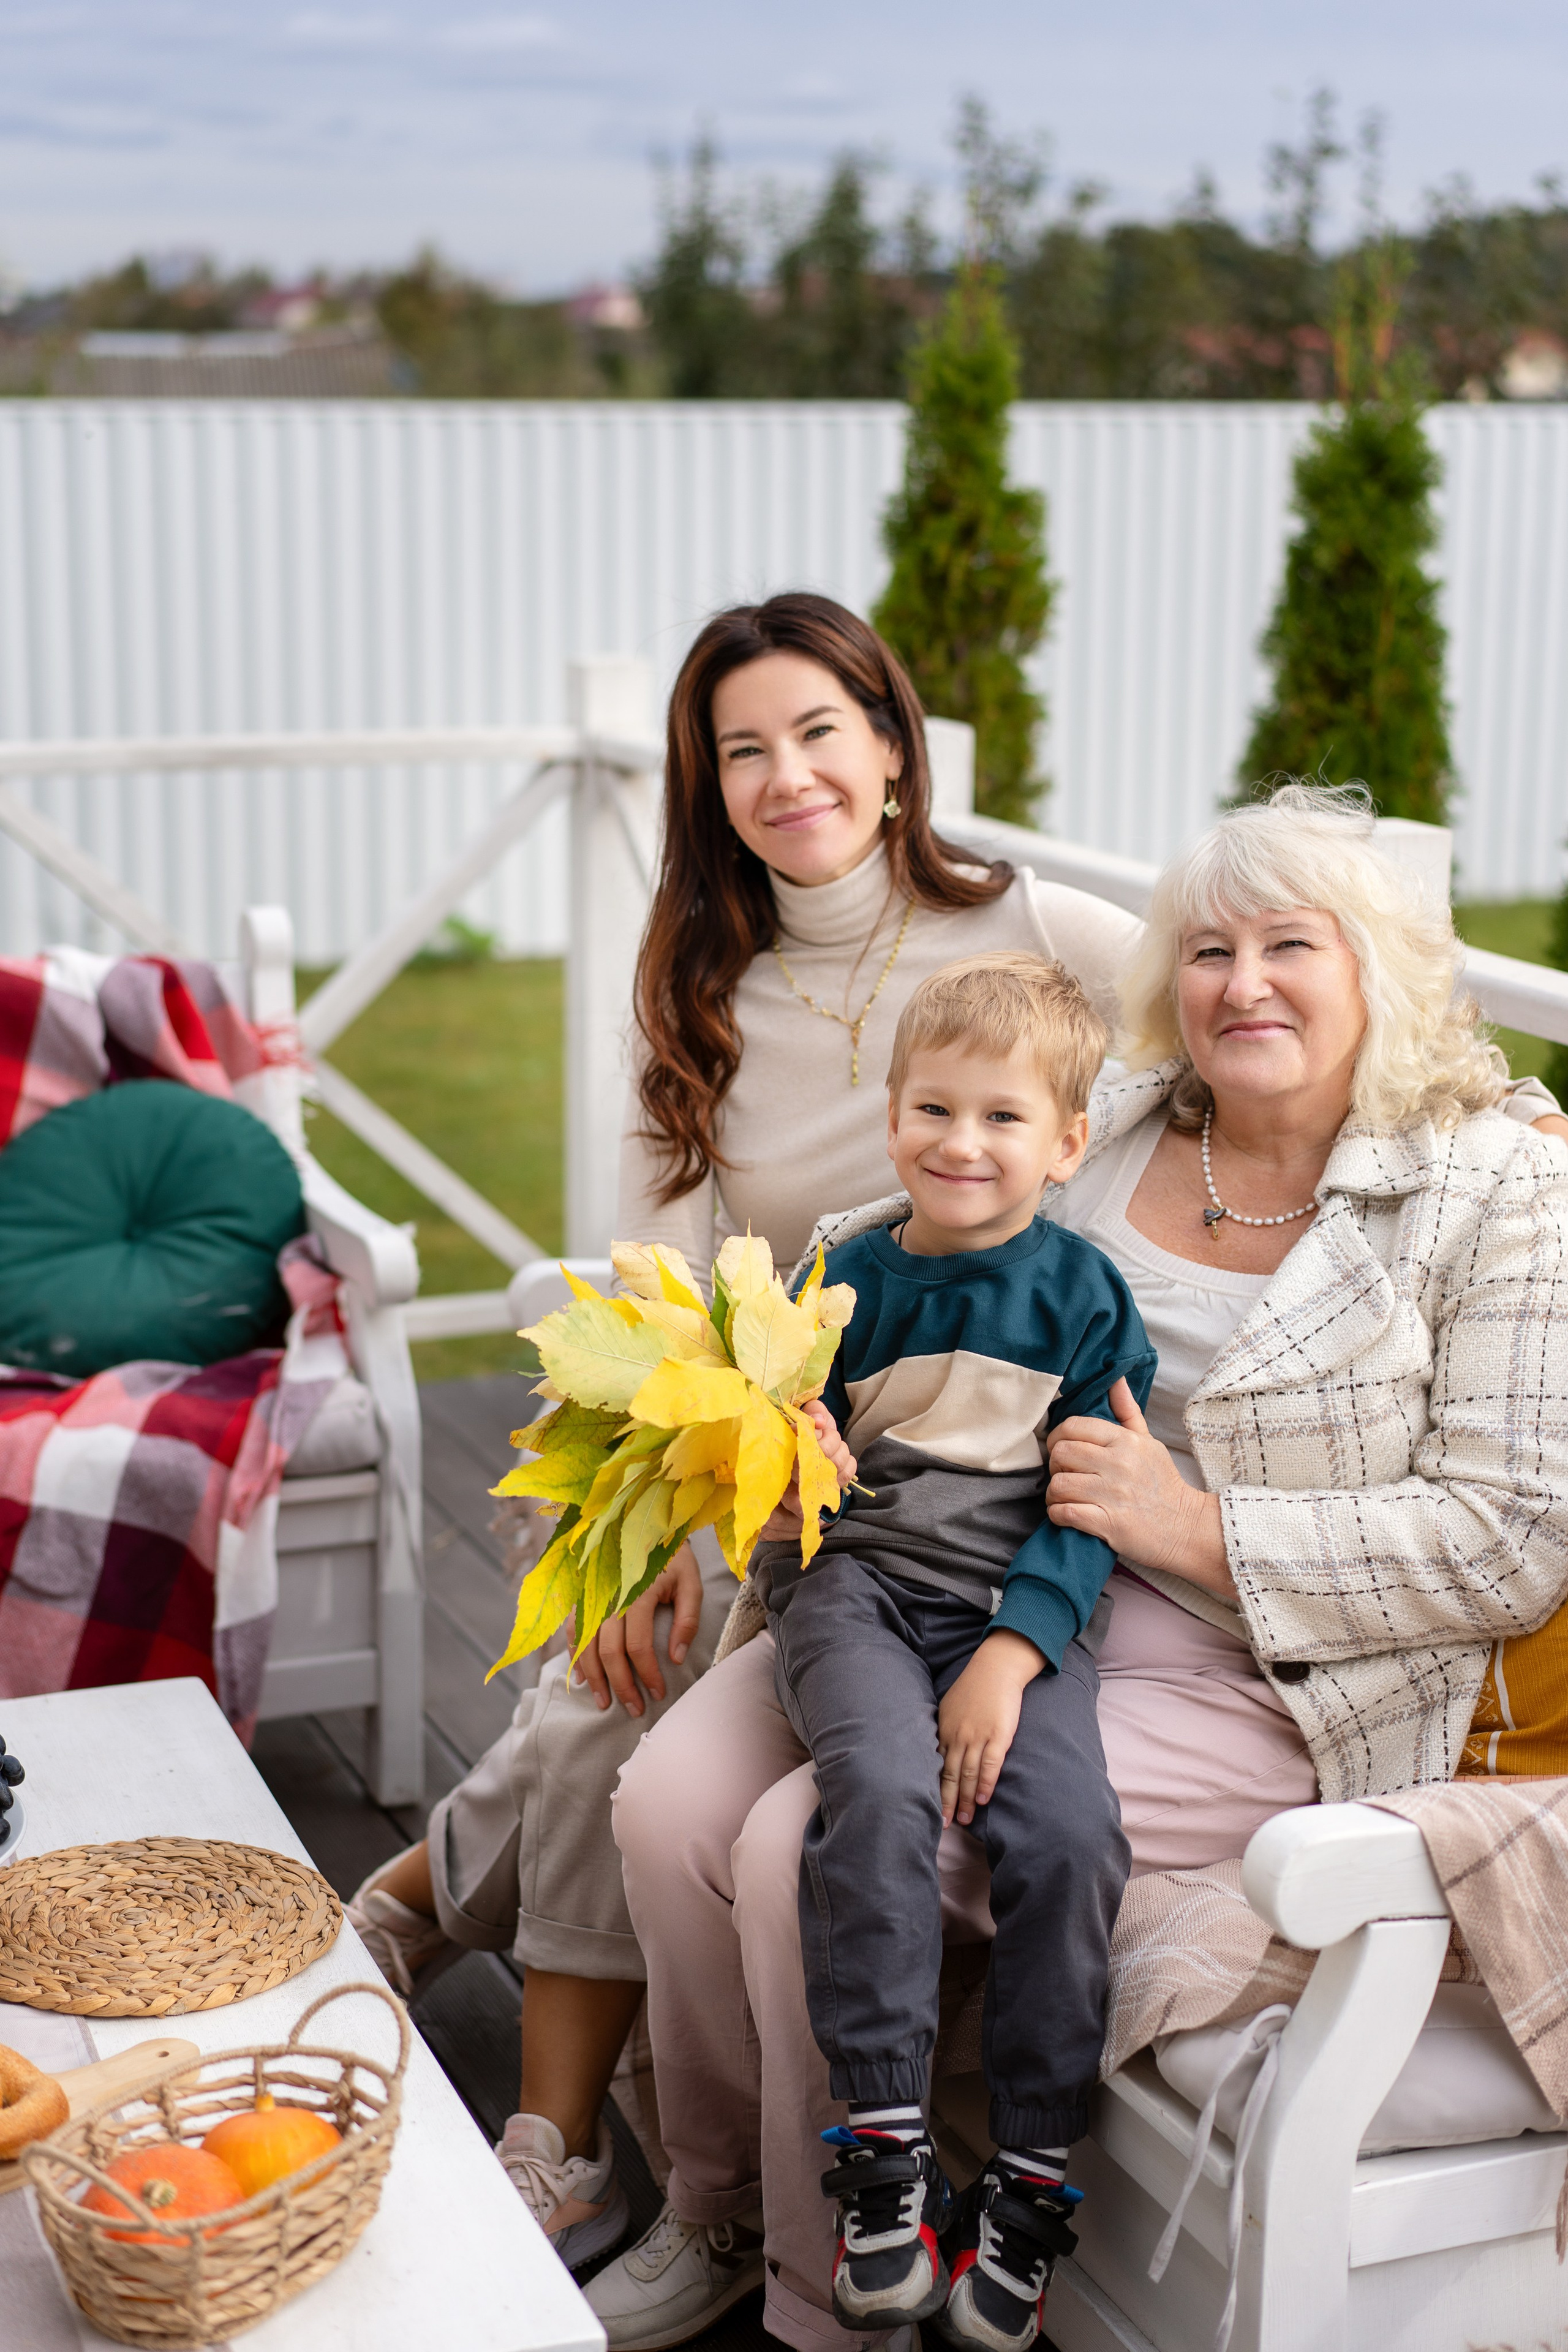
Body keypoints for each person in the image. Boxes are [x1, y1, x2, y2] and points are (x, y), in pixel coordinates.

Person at [592, 783, 1568, 2352]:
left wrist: (1188, 1524)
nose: (1239, 982)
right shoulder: (1121, 1110)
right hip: (943, 1549)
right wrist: (783, 1403)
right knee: (663, 1804)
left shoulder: (1492, 1183)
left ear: (1375, 967)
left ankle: (826, 2293)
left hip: (1246, 1652)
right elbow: (879, 1232)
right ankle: (720, 2200)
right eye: (1205, 948)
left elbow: (1514, 1536)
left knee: (800, 1844)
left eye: (1287, 945)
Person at [344, 591, 1144, 2261]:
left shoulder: (1041, 932)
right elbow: (667, 1297)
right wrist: (640, 1525)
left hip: (966, 1476)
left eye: (820, 732)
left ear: (894, 748)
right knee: (607, 1677)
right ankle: (560, 2140)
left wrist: (1478, 1089)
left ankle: (428, 1900)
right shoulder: (707, 991)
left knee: (590, 1713)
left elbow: (1240, 1013)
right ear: (707, 787)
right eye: (743, 751)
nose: (790, 777)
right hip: (765, 1464)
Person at [760, 954, 1155, 2348]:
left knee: (1067, 1832)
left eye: (1000, 1119)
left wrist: (1012, 1655)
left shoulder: (1087, 1305)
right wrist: (787, 1453)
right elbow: (762, 1475)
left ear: (1064, 1143)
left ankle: (1032, 2168)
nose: (960, 1145)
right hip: (852, 1584)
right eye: (932, 1109)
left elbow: (1085, 1510)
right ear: (889, 1118)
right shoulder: (835, 1287)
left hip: (1009, 1606)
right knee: (874, 1792)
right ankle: (883, 2145)